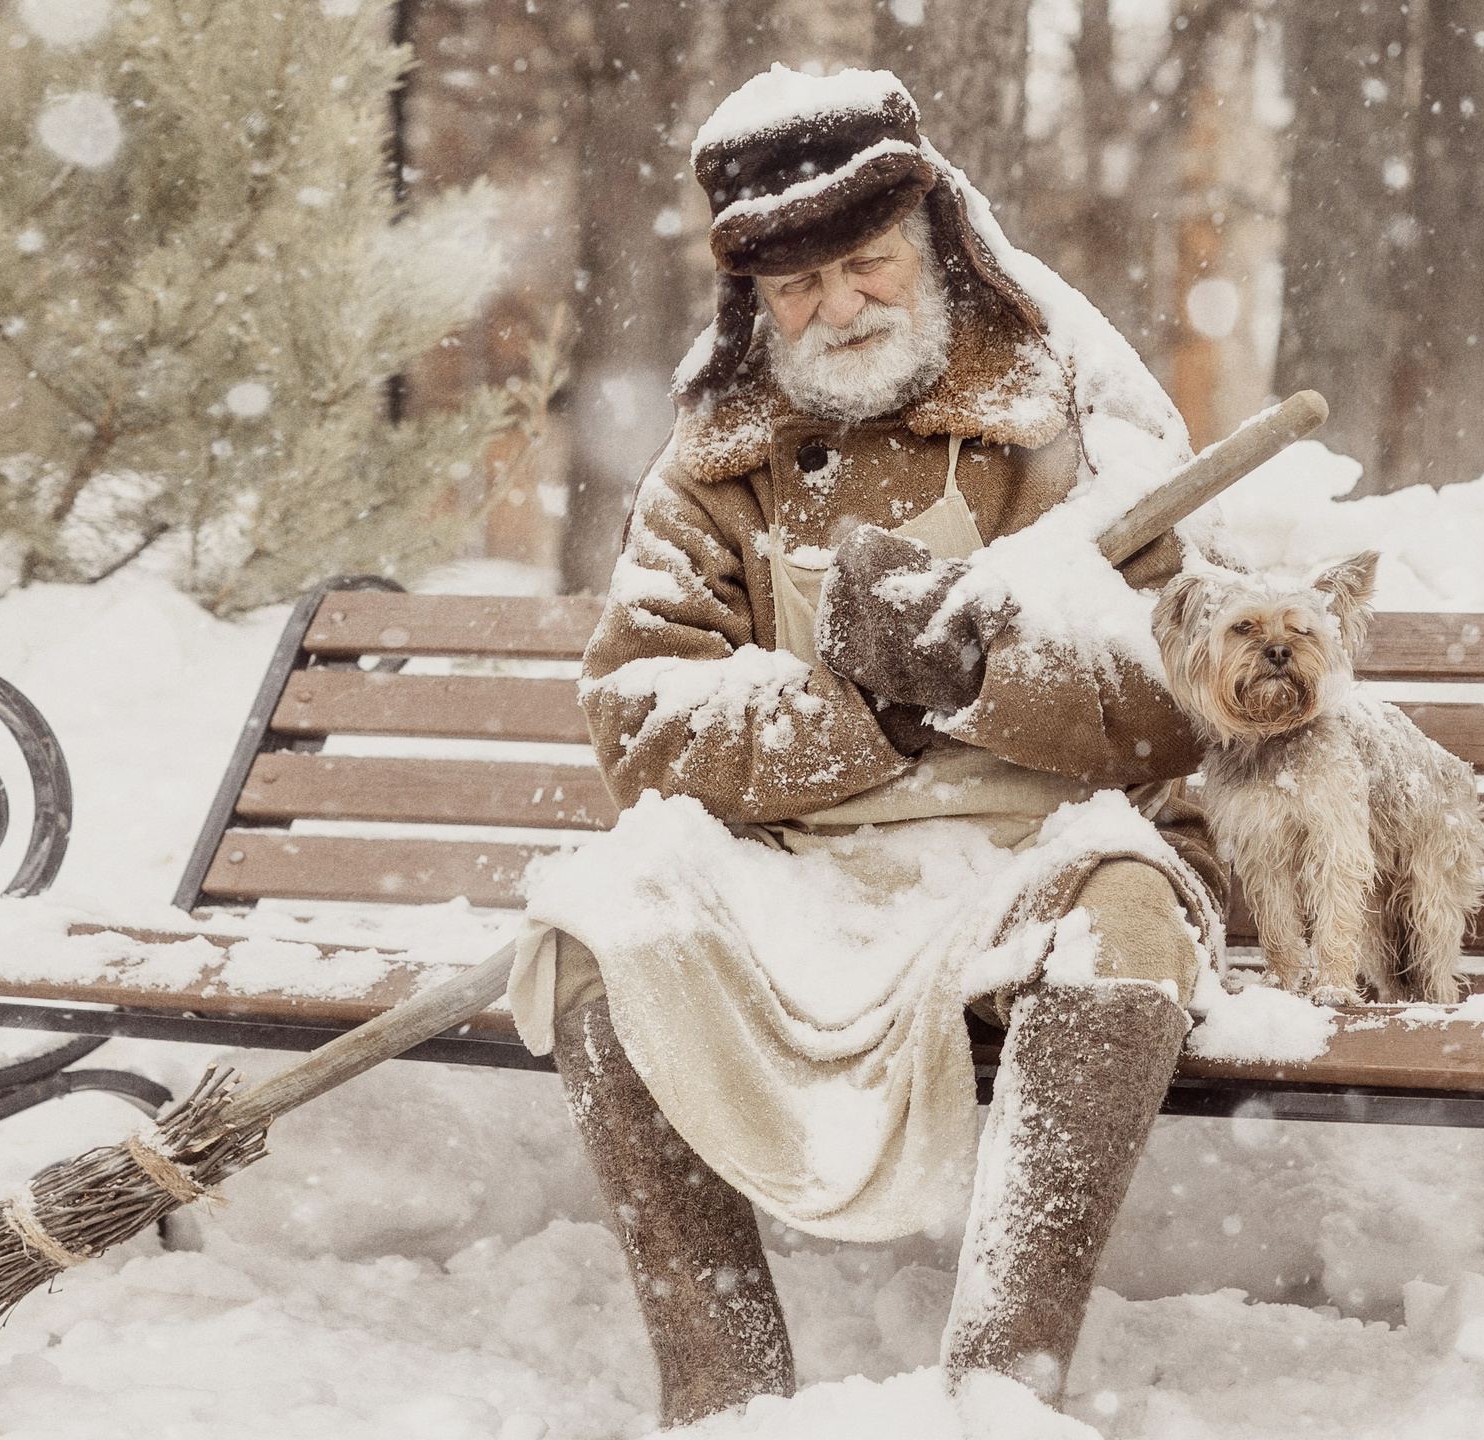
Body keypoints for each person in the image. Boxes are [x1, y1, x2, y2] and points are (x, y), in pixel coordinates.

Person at [508, 66, 1232, 1426]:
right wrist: (856, 713)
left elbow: (1175, 695)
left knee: (1127, 924)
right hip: (806, 865)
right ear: (753, 300)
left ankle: (1003, 1389)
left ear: (934, 241)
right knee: (600, 931)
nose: (838, 307)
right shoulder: (715, 462)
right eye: (798, 289)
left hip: (1041, 846)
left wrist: (981, 672)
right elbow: (640, 717)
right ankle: (723, 1394)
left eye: (868, 264)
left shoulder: (1072, 422)